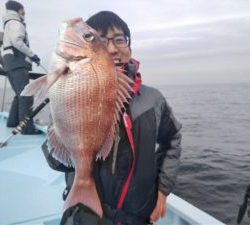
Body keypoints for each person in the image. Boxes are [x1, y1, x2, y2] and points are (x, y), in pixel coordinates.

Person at [42, 11, 182, 225]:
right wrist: (64, 109)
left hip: (139, 215)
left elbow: (172, 138)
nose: (113, 48)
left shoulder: (153, 99)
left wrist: (162, 191)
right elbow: (56, 161)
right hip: (86, 215)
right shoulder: (68, 82)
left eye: (119, 40)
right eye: (100, 39)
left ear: (129, 47)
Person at [1, 0, 41, 134]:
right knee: (26, 95)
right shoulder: (15, 23)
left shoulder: (8, 24)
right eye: (23, 10)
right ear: (18, 10)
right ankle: (27, 128)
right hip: (17, 62)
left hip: (10, 63)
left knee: (20, 94)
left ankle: (12, 122)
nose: (24, 13)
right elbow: (17, 41)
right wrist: (33, 55)